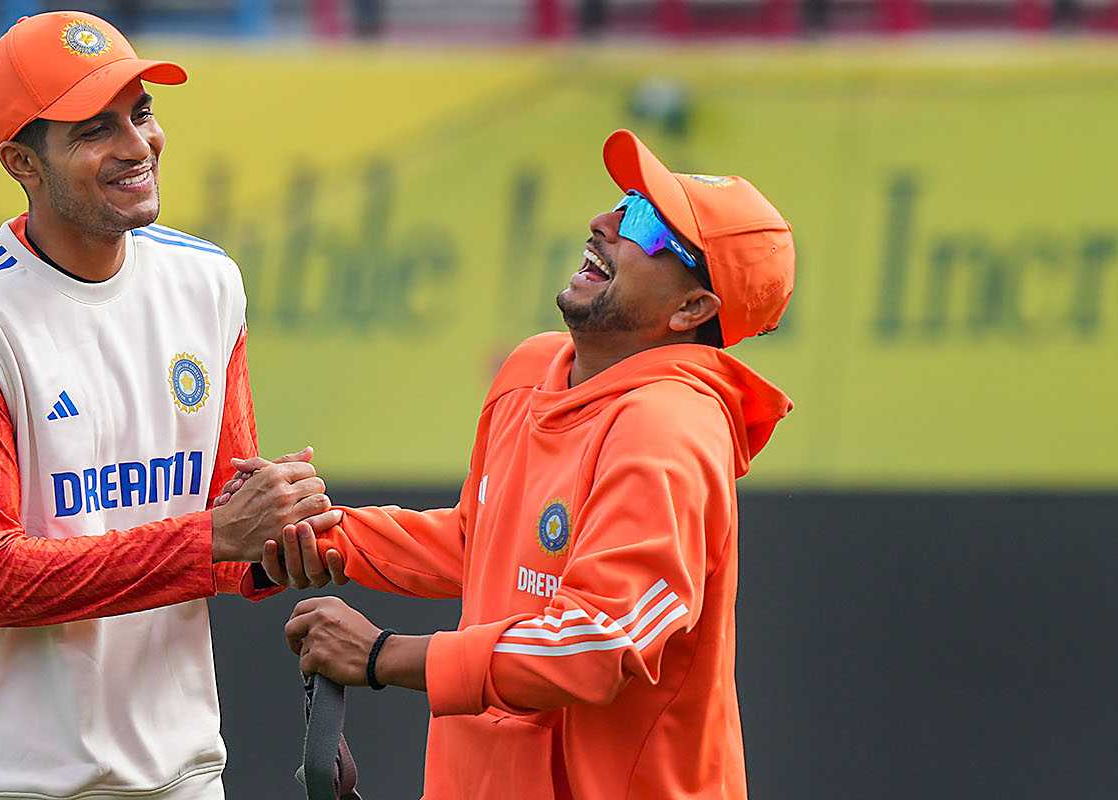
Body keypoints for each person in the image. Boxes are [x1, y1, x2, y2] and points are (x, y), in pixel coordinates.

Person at [0, 11, 341, 800]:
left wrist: (277, 542)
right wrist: (217, 536)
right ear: (21, 162)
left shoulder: (207, 281)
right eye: (95, 129)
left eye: (142, 112)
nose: (137, 146)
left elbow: (223, 531)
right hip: (0, 782)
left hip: (185, 771)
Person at [270, 130, 796, 798]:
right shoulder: (532, 367)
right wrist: (315, 532)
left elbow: (598, 642)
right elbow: (479, 541)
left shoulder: (669, 428)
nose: (603, 223)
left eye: (644, 223)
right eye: (624, 201)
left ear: (693, 308)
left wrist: (382, 656)